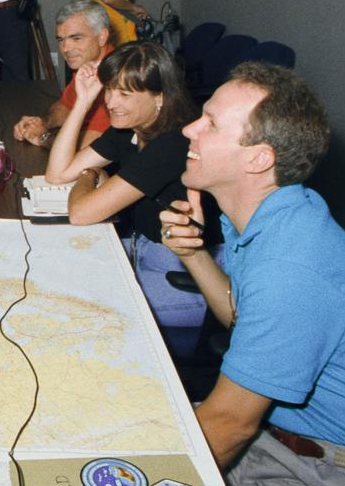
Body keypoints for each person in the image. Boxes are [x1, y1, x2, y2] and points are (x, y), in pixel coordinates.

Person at [160, 63, 345, 486]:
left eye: (210, 123)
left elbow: (231, 423)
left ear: (258, 158)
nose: (189, 129)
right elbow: (241, 316)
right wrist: (193, 252)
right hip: (286, 446)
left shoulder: (291, 264)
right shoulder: (276, 216)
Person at [43, 41, 218, 327]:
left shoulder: (172, 144)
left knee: (73, 304)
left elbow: (81, 213)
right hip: (142, 250)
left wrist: (89, 175)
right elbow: (58, 173)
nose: (111, 102)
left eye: (124, 93)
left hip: (182, 275)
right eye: (109, 89)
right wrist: (84, 102)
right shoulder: (129, 128)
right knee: (57, 267)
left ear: (160, 97)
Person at [13, 0, 113, 151]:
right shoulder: (90, 64)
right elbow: (66, 105)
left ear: (102, 37)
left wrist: (42, 136)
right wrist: (41, 122)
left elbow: (91, 146)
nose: (65, 48)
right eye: (61, 39)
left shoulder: (113, 76)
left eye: (76, 38)